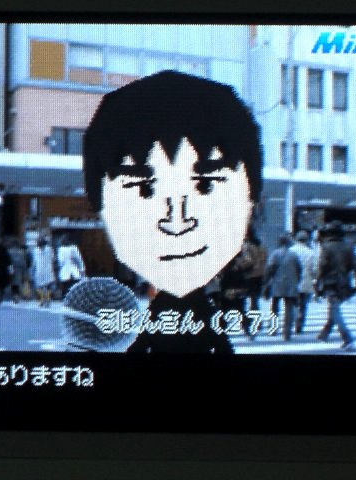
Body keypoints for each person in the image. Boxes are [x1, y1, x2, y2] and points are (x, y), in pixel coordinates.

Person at [84, 70, 262, 353]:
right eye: (143, 189)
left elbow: (139, 347)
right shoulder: (196, 303)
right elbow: (223, 348)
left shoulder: (166, 303)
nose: (176, 223)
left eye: (206, 185)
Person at [315, 221, 356, 350]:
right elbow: (353, 265)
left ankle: (347, 338)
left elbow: (322, 267)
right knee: (334, 308)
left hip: (330, 282)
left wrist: (318, 282)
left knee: (335, 309)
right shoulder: (349, 246)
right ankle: (324, 334)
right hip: (344, 282)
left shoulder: (326, 247)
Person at [264, 233, 301, 342]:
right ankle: (287, 333)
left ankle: (273, 328)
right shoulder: (293, 255)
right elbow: (299, 270)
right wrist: (296, 281)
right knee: (289, 308)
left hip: (277, 283)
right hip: (291, 284)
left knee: (275, 308)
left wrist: (266, 281)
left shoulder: (275, 254)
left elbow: (270, 269)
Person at [289, 229, 318, 334]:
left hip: (292, 282)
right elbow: (314, 269)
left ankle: (292, 320)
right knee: (303, 305)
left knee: (292, 304)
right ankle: (299, 325)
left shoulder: (290, 251)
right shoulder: (311, 253)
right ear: (307, 240)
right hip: (306, 282)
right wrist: (315, 279)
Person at [242, 226, 267, 312]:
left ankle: (252, 315)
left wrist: (240, 267)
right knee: (254, 298)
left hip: (250, 274)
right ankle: (256, 314)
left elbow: (248, 260)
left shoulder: (247, 246)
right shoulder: (260, 245)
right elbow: (264, 258)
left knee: (249, 298)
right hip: (260, 274)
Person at [30, 236, 55, 307]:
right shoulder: (49, 249)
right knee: (47, 285)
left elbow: (34, 262)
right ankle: (47, 299)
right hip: (47, 269)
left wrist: (32, 270)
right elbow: (53, 259)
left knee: (40, 286)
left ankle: (43, 299)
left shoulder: (35, 250)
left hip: (40, 270)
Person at [0, 237, 13, 304]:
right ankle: (0, 296)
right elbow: (9, 261)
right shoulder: (5, 251)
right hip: (3, 270)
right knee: (2, 284)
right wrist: (11, 270)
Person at [7, 238, 29, 303]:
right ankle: (19, 295)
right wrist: (25, 272)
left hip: (12, 269)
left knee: (13, 283)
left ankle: (15, 296)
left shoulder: (9, 251)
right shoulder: (21, 252)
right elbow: (24, 262)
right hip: (20, 269)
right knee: (19, 283)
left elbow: (8, 262)